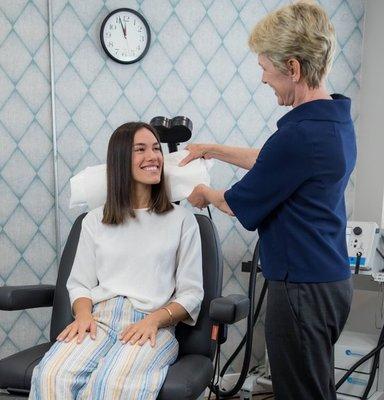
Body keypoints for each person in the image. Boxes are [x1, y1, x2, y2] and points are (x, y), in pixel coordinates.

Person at [184, 2, 356, 400]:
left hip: (301, 292)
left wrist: (205, 194)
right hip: (329, 281)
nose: (263, 78)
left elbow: (234, 202)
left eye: (265, 67)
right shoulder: (334, 120)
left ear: (293, 68)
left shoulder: (298, 136)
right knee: (315, 387)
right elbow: (275, 163)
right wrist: (214, 150)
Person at [29, 122, 204, 400]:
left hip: (151, 322)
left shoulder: (182, 221)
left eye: (156, 149)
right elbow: (79, 284)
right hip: (99, 319)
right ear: (121, 160)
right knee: (52, 376)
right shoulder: (94, 221)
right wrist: (84, 315)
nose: (153, 156)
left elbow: (192, 293)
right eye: (140, 149)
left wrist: (155, 321)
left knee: (111, 384)